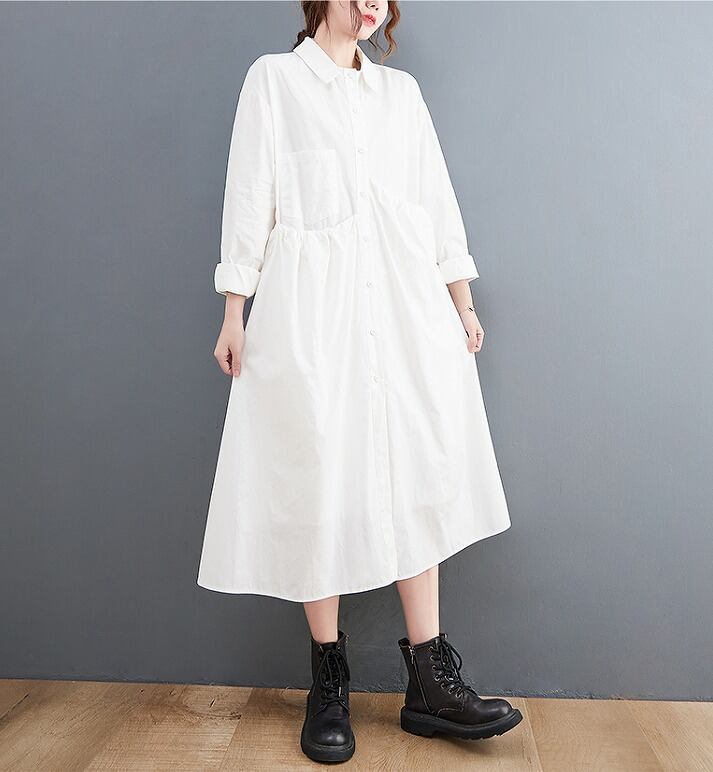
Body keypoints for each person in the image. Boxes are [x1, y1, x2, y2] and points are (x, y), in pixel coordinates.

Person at [197, 0, 521, 763]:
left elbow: (434, 201)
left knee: (417, 472)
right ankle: (328, 678)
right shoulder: (274, 81)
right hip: (311, 314)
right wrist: (234, 310)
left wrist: (461, 302)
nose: (372, 2)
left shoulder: (399, 94)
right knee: (318, 474)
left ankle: (430, 681)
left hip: (406, 309)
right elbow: (249, 197)